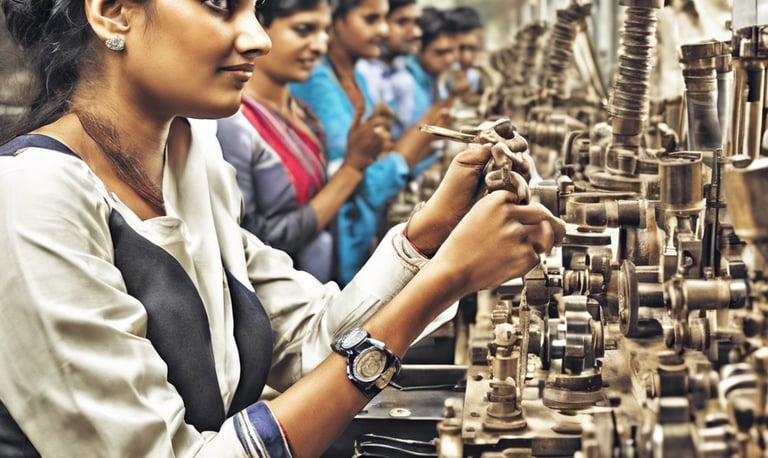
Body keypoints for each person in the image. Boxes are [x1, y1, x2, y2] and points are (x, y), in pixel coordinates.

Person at [0, 1, 564, 457]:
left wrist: (433, 231)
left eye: (255, 8)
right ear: (113, 13)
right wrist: (445, 280)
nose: (257, 38)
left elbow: (314, 341)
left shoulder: (193, 161)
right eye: (220, 6)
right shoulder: (33, 198)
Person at [216, 0, 390, 282]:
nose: (320, 46)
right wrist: (352, 170)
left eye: (324, 31)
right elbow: (253, 242)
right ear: (258, 30)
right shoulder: (232, 122)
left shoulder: (303, 113)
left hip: (320, 289)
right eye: (304, 30)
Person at [290, 0, 451, 286]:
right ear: (336, 22)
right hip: (331, 255)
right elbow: (355, 180)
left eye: (385, 19)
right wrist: (414, 143)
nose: (383, 29)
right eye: (371, 19)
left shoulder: (358, 78)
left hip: (362, 238)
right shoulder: (315, 81)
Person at [355, 0, 424, 140]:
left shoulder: (402, 69)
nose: (416, 33)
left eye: (417, 23)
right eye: (402, 22)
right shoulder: (361, 72)